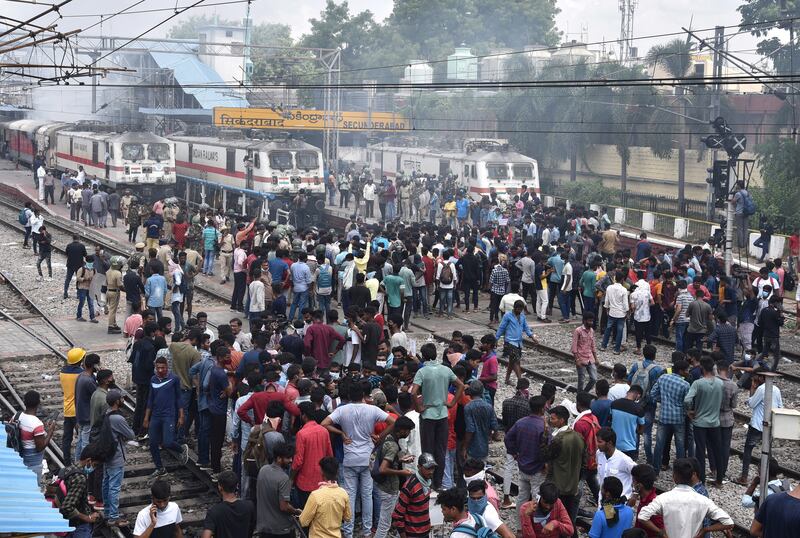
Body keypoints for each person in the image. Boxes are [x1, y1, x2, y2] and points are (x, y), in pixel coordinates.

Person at [321, 383, 395, 538]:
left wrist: (341, 433)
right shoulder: (372, 409)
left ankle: (348, 532)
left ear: (348, 396)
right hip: (367, 458)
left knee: (350, 496)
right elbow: (393, 422)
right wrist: (379, 437)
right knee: (367, 495)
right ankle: (367, 531)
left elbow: (324, 424)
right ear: (363, 395)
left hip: (349, 459)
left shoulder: (342, 410)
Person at [409, 342, 465, 489]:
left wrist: (418, 407)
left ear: (424, 356)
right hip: (442, 414)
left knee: (428, 450)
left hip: (427, 415)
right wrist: (452, 403)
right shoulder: (445, 370)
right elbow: (460, 385)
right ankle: (438, 483)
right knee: (441, 449)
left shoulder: (422, 371)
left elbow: (413, 392)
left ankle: (427, 481)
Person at [637, 458, 734, 538]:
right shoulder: (703, 500)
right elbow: (729, 523)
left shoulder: (663, 498)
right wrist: (705, 530)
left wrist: (661, 532)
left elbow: (642, 516)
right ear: (692, 476)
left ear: (674, 477)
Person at [736, 366, 783, 485]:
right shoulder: (776, 389)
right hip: (770, 425)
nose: (754, 378)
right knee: (768, 451)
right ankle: (770, 477)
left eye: (755, 376)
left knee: (748, 449)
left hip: (757, 424)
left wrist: (752, 387)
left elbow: (751, 404)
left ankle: (744, 476)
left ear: (761, 377)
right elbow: (780, 407)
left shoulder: (761, 388)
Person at [143, 357, 189, 478]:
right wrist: (146, 418)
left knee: (167, 442)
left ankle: (181, 449)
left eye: (162, 367)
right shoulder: (153, 379)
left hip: (169, 415)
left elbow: (179, 398)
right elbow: (150, 399)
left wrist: (181, 415)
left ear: (167, 367)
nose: (160, 370)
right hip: (155, 416)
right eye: (158, 367)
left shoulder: (174, 379)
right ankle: (160, 468)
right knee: (153, 443)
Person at [505, 395, 549, 519]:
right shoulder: (543, 427)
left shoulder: (520, 422)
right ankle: (534, 524)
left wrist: (514, 453)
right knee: (537, 498)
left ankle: (520, 526)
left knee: (522, 496)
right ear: (541, 409)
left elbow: (508, 437)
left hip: (523, 466)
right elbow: (548, 448)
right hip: (537, 469)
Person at [683, 356, 723, 486]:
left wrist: (689, 411)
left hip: (700, 422)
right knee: (717, 450)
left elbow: (687, 400)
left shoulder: (698, 383)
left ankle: (702, 479)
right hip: (715, 422)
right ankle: (719, 479)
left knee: (700, 451)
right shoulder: (720, 383)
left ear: (702, 368)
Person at [375, 416, 416, 538]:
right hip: (389, 488)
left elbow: (387, 459)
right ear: (402, 430)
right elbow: (383, 469)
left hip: (384, 486)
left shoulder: (388, 438)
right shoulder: (393, 445)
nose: (408, 433)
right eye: (408, 431)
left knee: (395, 516)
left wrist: (400, 459)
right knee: (384, 524)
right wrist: (402, 472)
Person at [545, 405, 586, 526]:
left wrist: (545, 435)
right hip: (573, 487)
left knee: (557, 519)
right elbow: (584, 462)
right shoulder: (578, 437)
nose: (550, 421)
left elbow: (547, 456)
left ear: (561, 420)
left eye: (552, 419)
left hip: (558, 486)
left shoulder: (557, 439)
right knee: (569, 521)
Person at [650, 359, 690, 471]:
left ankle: (655, 469)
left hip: (664, 417)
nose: (688, 372)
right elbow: (687, 403)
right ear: (681, 371)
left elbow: (653, 394)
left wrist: (663, 400)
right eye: (687, 370)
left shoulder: (663, 378)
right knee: (680, 445)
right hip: (678, 418)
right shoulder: (685, 384)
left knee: (659, 444)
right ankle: (681, 471)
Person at [291, 402, 334, 508]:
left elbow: (298, 461)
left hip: (305, 482)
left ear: (304, 416)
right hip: (322, 480)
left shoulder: (301, 434)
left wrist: (291, 478)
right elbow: (330, 455)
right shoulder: (324, 431)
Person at [59, 443, 106, 538]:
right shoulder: (80, 479)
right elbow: (67, 507)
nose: (94, 468)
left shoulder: (68, 469)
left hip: (67, 523)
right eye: (95, 465)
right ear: (89, 461)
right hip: (78, 525)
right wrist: (87, 518)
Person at [256, 442, 301, 538]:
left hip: (264, 527)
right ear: (279, 458)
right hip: (281, 530)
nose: (291, 460)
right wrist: (296, 511)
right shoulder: (283, 478)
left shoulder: (263, 470)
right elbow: (284, 507)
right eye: (288, 458)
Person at [298, 457, 350, 538]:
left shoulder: (315, 495)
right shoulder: (343, 494)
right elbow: (347, 517)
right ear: (337, 472)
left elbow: (303, 522)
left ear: (322, 472)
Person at [438, 485, 514, 538]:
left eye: (444, 509)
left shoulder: (457, 535)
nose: (442, 512)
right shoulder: (478, 518)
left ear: (453, 509)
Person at [392, 452, 436, 538]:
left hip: (425, 531)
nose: (431, 471)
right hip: (412, 534)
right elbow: (398, 515)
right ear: (419, 467)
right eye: (428, 468)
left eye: (433, 468)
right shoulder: (410, 486)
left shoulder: (427, 483)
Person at [495, 300, 538, 386]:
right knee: (516, 361)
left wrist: (532, 336)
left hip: (518, 342)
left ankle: (507, 379)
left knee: (512, 361)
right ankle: (521, 381)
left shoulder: (522, 317)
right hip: (509, 341)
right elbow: (501, 327)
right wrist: (496, 338)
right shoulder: (507, 316)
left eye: (521, 309)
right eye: (518, 309)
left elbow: (526, 327)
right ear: (514, 308)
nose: (519, 311)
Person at [17, 390, 56, 486]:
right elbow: (40, 447)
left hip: (19, 457)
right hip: (33, 463)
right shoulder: (36, 424)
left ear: (24, 402)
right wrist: (50, 432)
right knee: (32, 488)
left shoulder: (17, 416)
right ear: (38, 403)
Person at [595, 428, 635, 505]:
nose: (597, 444)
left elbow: (638, 474)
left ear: (609, 443)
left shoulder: (624, 459)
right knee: (604, 516)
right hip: (604, 502)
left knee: (614, 517)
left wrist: (634, 495)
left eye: (600, 442)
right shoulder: (599, 454)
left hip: (620, 503)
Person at [462, 380, 499, 461]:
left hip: (472, 447)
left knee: (471, 469)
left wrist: (464, 447)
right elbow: (495, 425)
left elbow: (470, 429)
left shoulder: (468, 407)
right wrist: (494, 435)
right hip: (484, 446)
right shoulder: (489, 406)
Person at [609, 386, 645, 460]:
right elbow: (641, 429)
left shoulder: (614, 404)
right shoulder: (638, 409)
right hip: (629, 447)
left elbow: (610, 420)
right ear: (638, 395)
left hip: (614, 444)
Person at [630, 464, 664, 538]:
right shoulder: (644, 498)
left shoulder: (653, 504)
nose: (632, 484)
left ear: (639, 485)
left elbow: (661, 531)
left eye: (633, 481)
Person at [601, 272, 628, 354]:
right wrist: (626, 312)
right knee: (619, 331)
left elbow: (607, 300)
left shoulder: (609, 288)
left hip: (612, 312)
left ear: (615, 279)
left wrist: (606, 308)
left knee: (608, 329)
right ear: (622, 279)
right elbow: (625, 304)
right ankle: (616, 349)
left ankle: (603, 346)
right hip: (621, 314)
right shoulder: (624, 290)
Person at [572, 312, 598, 392]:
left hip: (590, 358)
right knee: (581, 380)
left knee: (594, 378)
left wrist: (596, 359)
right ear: (584, 321)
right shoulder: (578, 331)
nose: (591, 323)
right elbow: (574, 346)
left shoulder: (591, 331)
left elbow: (593, 345)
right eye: (589, 321)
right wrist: (577, 360)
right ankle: (580, 395)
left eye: (592, 321)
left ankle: (584, 393)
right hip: (581, 358)